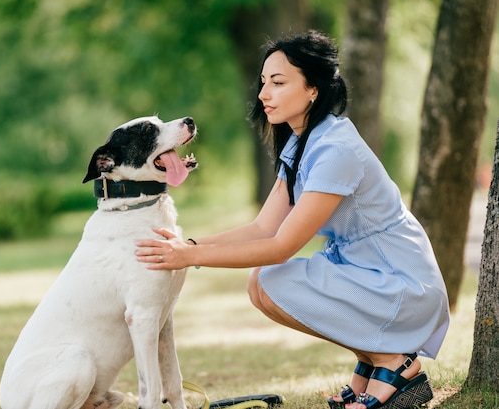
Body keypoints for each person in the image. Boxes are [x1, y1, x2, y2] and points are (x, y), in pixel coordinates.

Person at [135, 30, 449, 409]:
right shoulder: (303, 143)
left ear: (313, 89)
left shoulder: (335, 149)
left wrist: (188, 258)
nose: (264, 94)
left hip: (401, 283)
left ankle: (393, 363)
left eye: (278, 83)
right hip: (367, 276)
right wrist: (190, 246)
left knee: (269, 279)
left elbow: (281, 247)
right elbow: (262, 228)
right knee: (261, 287)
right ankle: (373, 361)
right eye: (264, 82)